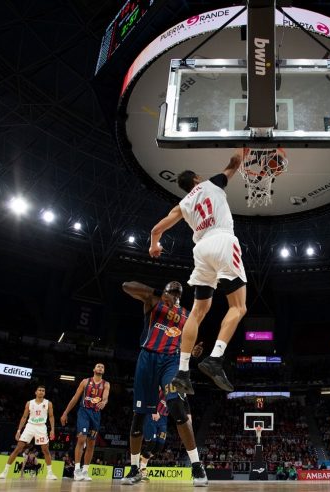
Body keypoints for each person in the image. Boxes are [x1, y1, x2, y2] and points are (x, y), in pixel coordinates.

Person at [149, 149, 248, 395]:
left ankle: (182, 372)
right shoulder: (212, 183)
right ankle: (215, 358)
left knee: (197, 311)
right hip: (223, 240)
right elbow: (234, 163)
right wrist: (243, 148)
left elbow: (156, 230)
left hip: (201, 250)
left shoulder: (182, 205)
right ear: (196, 179)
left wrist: (154, 246)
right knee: (238, 307)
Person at [120, 279, 208, 486]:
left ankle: (197, 466)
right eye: (171, 290)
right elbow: (126, 286)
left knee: (177, 406)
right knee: (139, 415)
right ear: (166, 290)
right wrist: (158, 292)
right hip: (148, 358)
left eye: (178, 292)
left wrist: (193, 352)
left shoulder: (187, 315)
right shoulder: (154, 301)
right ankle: (134, 468)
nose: (174, 294)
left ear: (182, 295)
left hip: (172, 361)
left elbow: (186, 343)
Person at [60, 363, 109, 481]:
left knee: (91, 443)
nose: (100, 368)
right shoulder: (85, 381)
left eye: (102, 367)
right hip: (84, 412)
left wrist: (104, 402)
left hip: (96, 414)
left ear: (103, 371)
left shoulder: (106, 384)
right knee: (81, 438)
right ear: (94, 369)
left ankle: (85, 470)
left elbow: (105, 397)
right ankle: (77, 470)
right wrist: (65, 413)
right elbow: (75, 398)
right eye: (98, 366)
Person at [0, 385, 58, 480]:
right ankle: (4, 472)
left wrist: (52, 430)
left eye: (43, 390)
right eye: (39, 390)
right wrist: (19, 430)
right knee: (18, 448)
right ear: (36, 392)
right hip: (30, 426)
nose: (41, 392)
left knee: (45, 450)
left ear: (44, 393)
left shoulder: (48, 403)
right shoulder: (29, 403)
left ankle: (50, 473)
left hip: (41, 427)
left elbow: (51, 417)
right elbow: (24, 417)